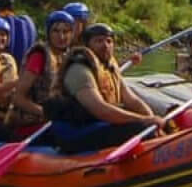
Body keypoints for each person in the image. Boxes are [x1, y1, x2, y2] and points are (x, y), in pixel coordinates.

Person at [49, 22, 170, 153]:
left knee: (155, 125)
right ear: (87, 45)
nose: (105, 45)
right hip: (76, 131)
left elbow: (131, 100)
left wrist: (151, 118)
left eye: (109, 41)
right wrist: (144, 120)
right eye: (98, 41)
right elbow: (100, 109)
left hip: (99, 122)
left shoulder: (109, 65)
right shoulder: (79, 69)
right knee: (140, 128)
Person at [11, 10, 78, 126]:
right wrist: (45, 113)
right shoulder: (39, 56)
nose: (61, 36)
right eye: (56, 31)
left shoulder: (69, 57)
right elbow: (18, 98)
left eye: (66, 31)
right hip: (34, 123)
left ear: (72, 34)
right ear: (48, 33)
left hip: (57, 120)